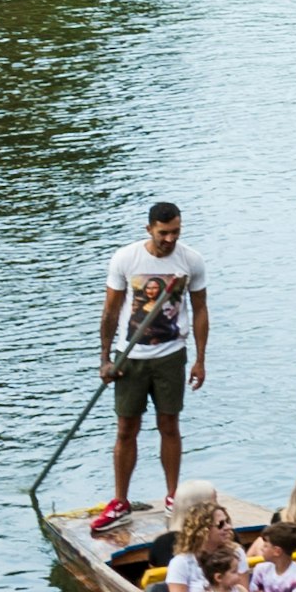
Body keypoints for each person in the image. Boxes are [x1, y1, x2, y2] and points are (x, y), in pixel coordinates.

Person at [97, 202, 208, 528]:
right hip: (130, 357)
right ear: (149, 229)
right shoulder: (126, 258)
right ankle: (120, 502)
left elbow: (200, 310)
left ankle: (173, 498)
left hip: (171, 356)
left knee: (169, 425)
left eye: (176, 231)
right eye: (164, 233)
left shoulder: (191, 260)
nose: (170, 239)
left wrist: (200, 360)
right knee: (126, 429)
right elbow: (111, 312)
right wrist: (105, 359)